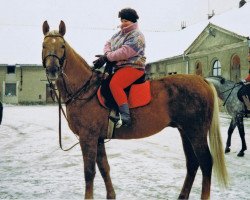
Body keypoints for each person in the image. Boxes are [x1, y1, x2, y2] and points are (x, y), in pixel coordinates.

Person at [93, 8, 146, 126]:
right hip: (120, 68)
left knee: (115, 84)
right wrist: (107, 54)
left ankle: (126, 116)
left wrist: (107, 58)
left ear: (133, 21)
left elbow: (125, 52)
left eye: (126, 20)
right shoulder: (119, 34)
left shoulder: (137, 35)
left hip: (133, 67)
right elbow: (108, 44)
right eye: (122, 20)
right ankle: (114, 111)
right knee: (105, 85)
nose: (123, 23)